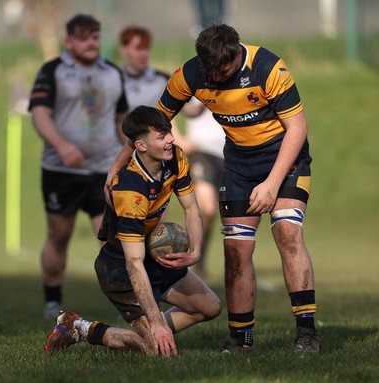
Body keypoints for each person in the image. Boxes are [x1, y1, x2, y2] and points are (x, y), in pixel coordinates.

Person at [105, 24, 322, 355]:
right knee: (236, 250)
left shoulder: (268, 68)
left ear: (236, 54)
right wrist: (118, 165)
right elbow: (151, 124)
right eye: (210, 72)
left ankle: (307, 334)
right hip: (238, 166)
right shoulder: (191, 73)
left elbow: (298, 128)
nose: (216, 78)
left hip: (286, 161)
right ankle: (240, 340)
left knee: (287, 233)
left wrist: (272, 184)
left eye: (223, 71)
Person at [44, 106, 221, 357]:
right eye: (161, 136)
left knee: (209, 307)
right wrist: (157, 324)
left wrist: (196, 252)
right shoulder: (130, 190)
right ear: (141, 146)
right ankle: (81, 328)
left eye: (169, 132)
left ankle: (152, 332)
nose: (171, 139)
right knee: (154, 350)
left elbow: (192, 209)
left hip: (153, 256)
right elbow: (134, 262)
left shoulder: (175, 157)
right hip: (120, 269)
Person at [28, 14, 128, 319]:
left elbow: (120, 120)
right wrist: (62, 145)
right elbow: (40, 114)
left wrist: (132, 152)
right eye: (84, 38)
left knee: (112, 238)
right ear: (69, 41)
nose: (91, 43)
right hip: (62, 171)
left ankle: (125, 301)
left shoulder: (112, 72)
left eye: (95, 37)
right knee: (59, 236)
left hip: (103, 171)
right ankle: (52, 301)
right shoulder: (53, 70)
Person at [172, 98, 225, 279]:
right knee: (208, 209)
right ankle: (191, 256)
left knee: (218, 213)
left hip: (227, 153)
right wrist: (179, 139)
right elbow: (168, 108)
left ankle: (198, 259)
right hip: (201, 152)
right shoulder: (194, 83)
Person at [118, 26, 170, 110]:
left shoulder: (162, 79)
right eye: (138, 48)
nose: (143, 54)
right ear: (123, 51)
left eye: (146, 48)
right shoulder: (112, 80)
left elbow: (190, 110)